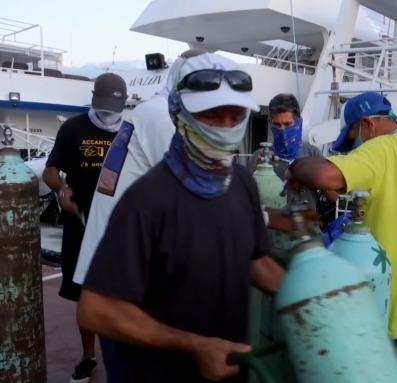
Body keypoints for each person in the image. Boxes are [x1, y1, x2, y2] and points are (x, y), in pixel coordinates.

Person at [76, 53, 286, 383]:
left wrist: (307, 294)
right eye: (211, 114)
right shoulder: (147, 200)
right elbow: (96, 309)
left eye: (237, 115)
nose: (226, 128)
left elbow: (251, 258)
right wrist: (196, 346)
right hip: (138, 323)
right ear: (179, 113)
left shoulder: (241, 182)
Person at [286, 92, 397, 383]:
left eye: (354, 137)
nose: (355, 149)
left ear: (369, 125)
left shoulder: (385, 148)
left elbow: (327, 177)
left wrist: (293, 168)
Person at [42, 72, 128, 383]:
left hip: (118, 225)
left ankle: (123, 354)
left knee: (121, 292)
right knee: (84, 293)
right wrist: (61, 191)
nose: (109, 114)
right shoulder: (73, 127)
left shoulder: (130, 131)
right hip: (79, 221)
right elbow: (51, 170)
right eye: (104, 106)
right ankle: (89, 356)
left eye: (115, 108)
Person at [248, 93, 339, 208]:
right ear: (270, 124)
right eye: (277, 124)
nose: (282, 130)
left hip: (305, 223)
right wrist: (254, 172)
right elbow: (244, 197)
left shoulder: (313, 154)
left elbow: (334, 197)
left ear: (298, 123)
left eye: (287, 124)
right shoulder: (258, 157)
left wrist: (311, 176)